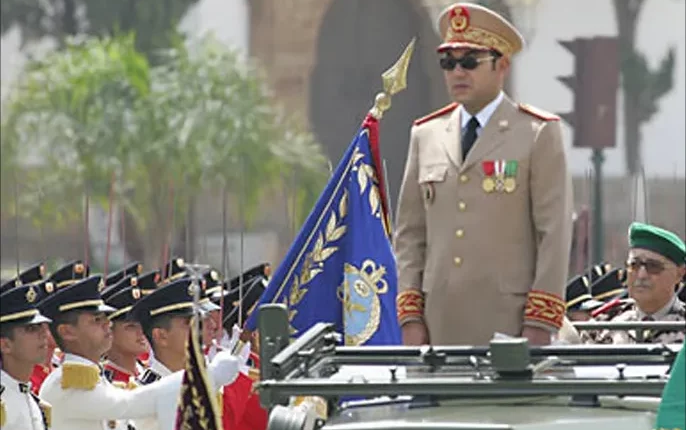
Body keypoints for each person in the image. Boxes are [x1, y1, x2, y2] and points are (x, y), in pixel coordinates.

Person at [394, 2, 573, 347]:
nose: (458, 72)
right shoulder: (426, 134)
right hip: (437, 325)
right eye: (448, 63)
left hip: (509, 323)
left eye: (470, 62)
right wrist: (411, 316)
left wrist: (541, 321)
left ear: (502, 65)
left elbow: (554, 233)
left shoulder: (536, 133)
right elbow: (410, 235)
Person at [37, 274, 242, 430]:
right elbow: (129, 404)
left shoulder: (95, 380)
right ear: (67, 332)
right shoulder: (66, 383)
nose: (107, 325)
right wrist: (206, 376)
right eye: (96, 320)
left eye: (106, 319)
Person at [594, 222, 685, 344]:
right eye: (634, 265)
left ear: (679, 274)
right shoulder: (603, 323)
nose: (641, 275)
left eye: (653, 266)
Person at [0, 285, 52, 430]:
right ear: (5, 345)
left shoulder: (32, 400)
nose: (43, 334)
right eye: (31, 329)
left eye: (42, 326)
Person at [101, 275, 151, 385]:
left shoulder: (147, 374)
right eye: (131, 326)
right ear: (109, 332)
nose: (142, 332)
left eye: (143, 324)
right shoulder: (105, 383)